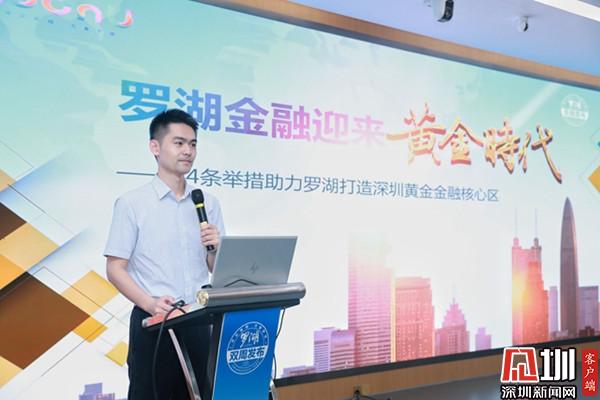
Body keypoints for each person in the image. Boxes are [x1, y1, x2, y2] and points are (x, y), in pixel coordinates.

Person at [104, 109, 224, 399]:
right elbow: (115, 268)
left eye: (193, 144)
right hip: (154, 323)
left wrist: (216, 248)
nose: (188, 151)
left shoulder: (207, 202)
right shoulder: (132, 203)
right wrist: (150, 303)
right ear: (155, 147)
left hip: (199, 320)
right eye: (179, 143)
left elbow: (213, 268)